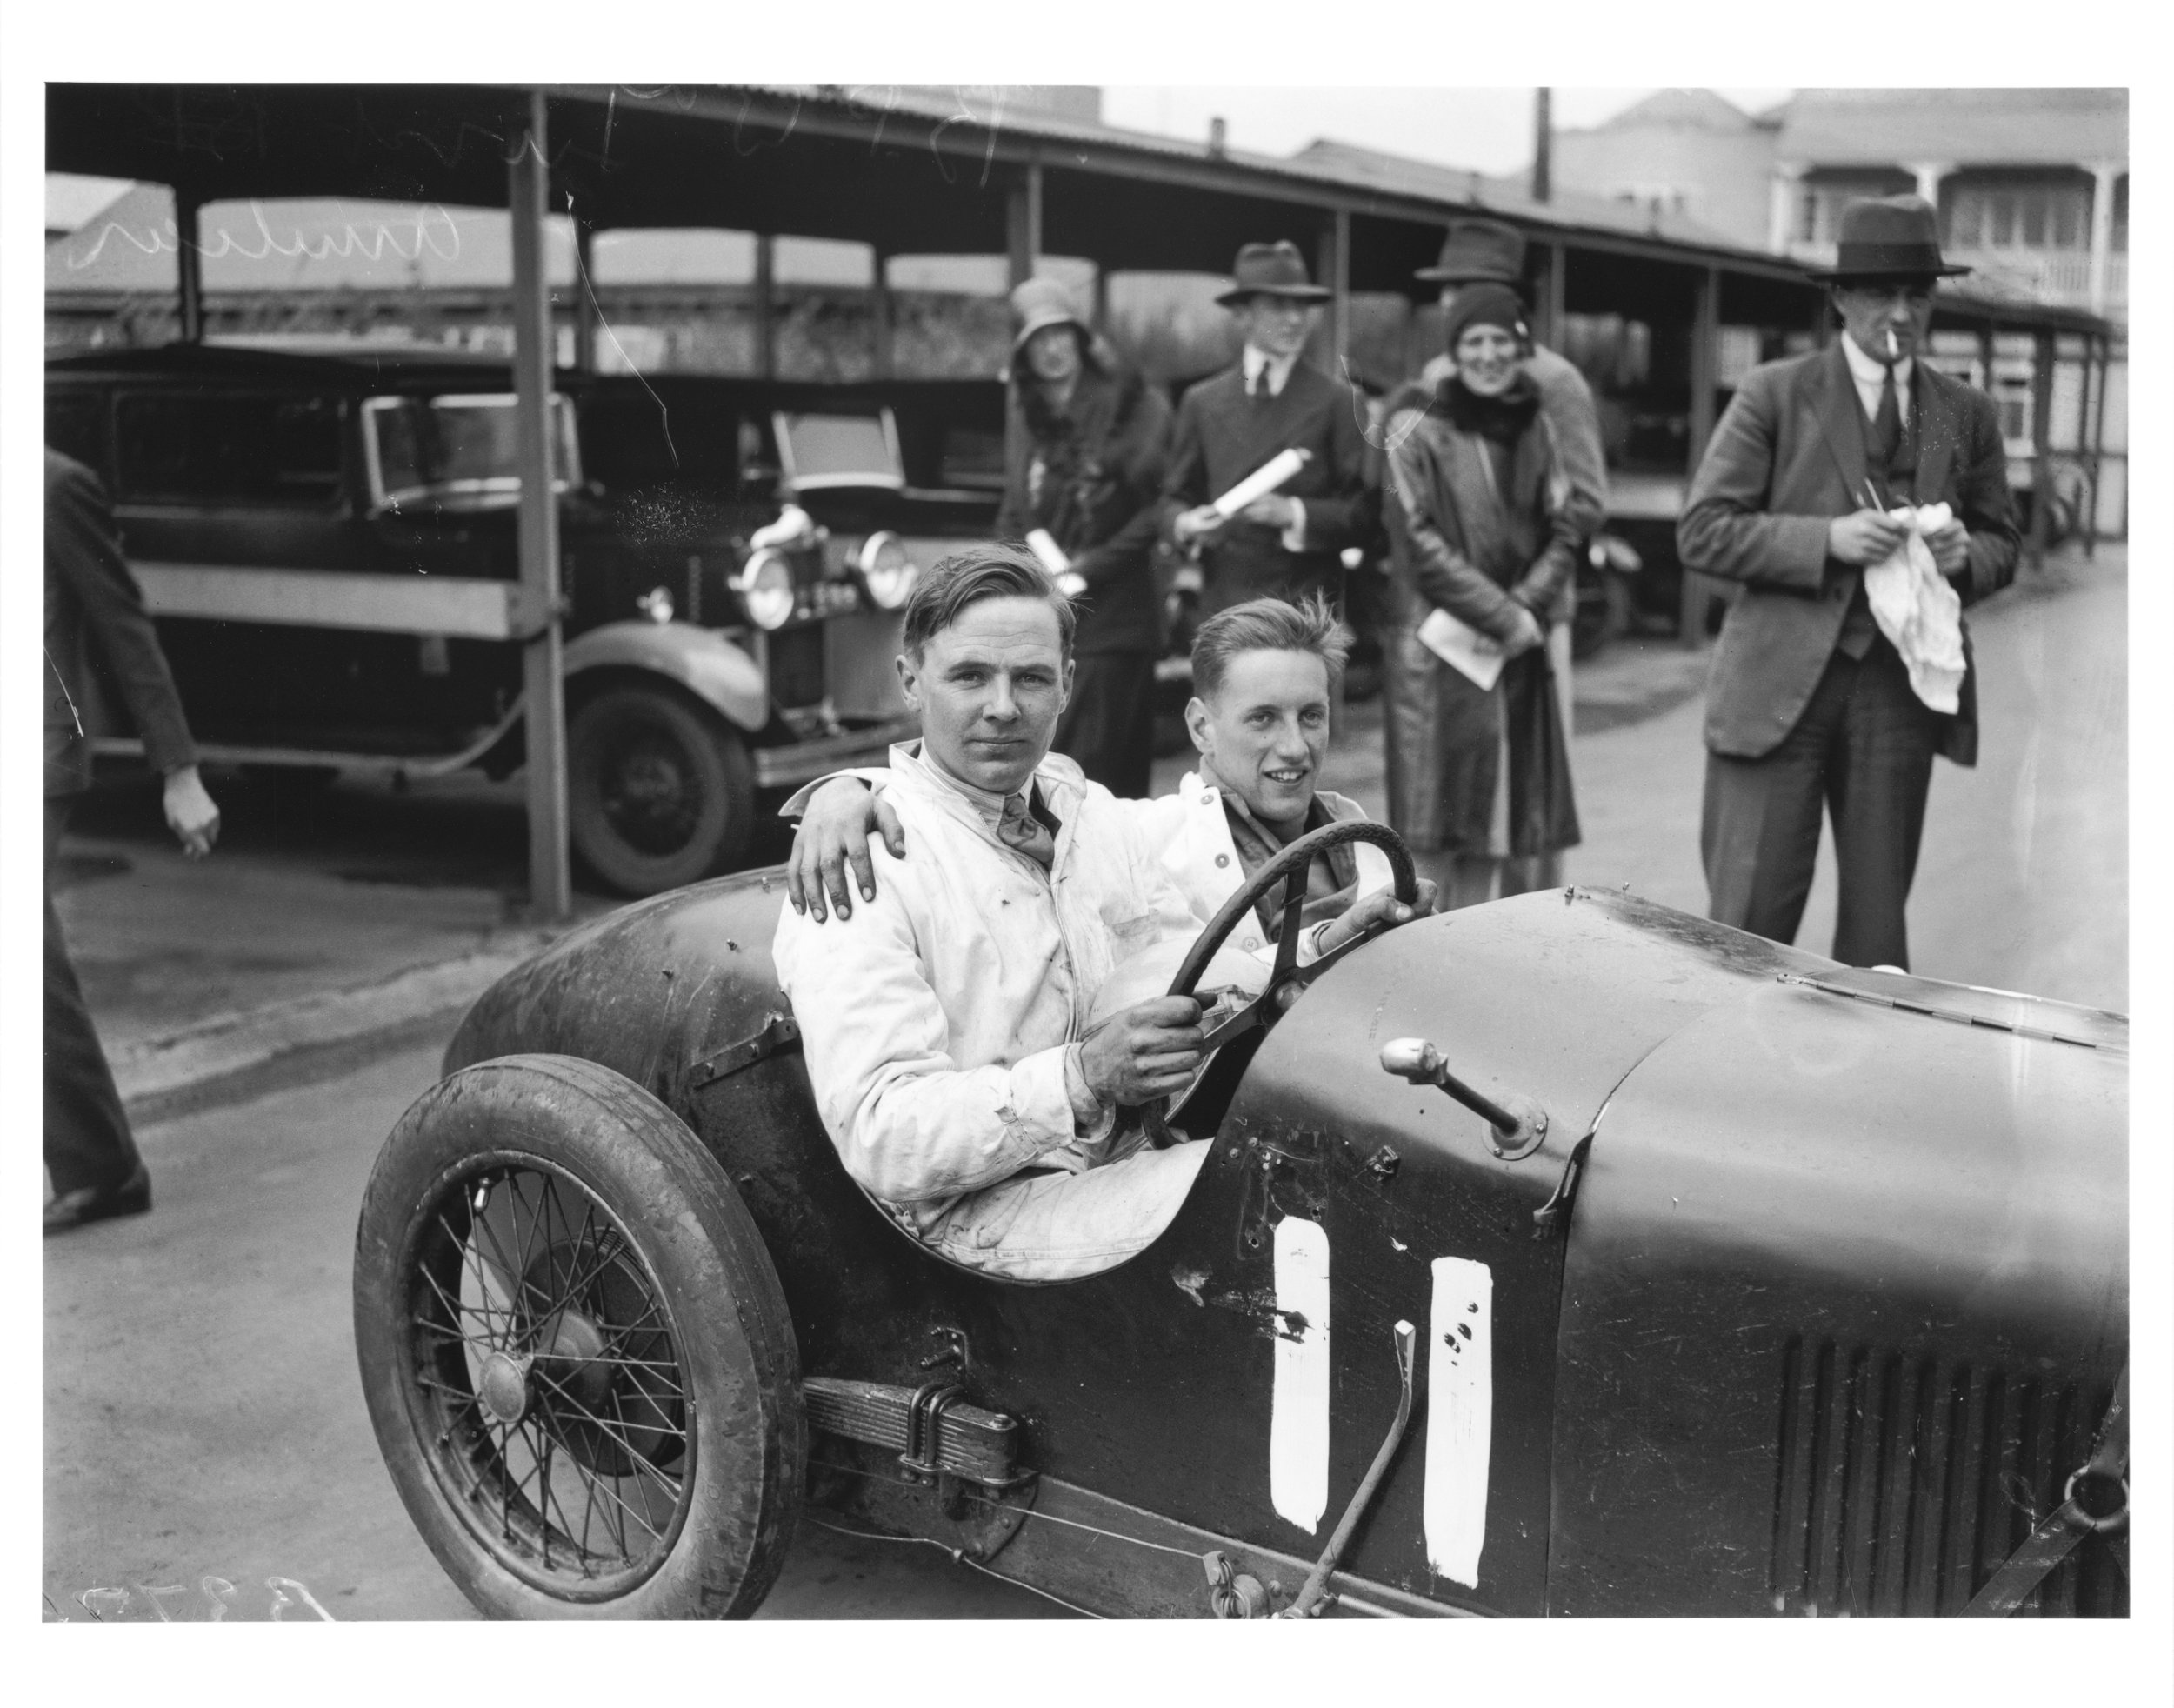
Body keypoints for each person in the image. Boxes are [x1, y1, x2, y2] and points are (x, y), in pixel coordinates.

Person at [770, 549, 1420, 1282]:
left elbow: (1204, 970)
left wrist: (1331, 943)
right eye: (970, 676)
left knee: (1376, 1156)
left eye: (1032, 678)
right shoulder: (858, 864)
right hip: (981, 1212)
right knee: (1289, 1195)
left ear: (1068, 684)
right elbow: (882, 1135)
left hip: (1127, 1150)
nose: (1004, 707)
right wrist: (1082, 1078)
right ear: (910, 680)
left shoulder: (1090, 814)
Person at [1677, 195, 2018, 970]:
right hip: (1776, 692)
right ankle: (1723, 1083)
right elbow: (1701, 531)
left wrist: (1969, 556)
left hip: (1899, 692)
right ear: (1839, 296)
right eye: (1878, 292)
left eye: (1917, 294)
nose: (1900, 310)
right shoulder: (1776, 393)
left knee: (1876, 945)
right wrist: (1824, 540)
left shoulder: (1961, 412)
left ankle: (1858, 1084)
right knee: (1746, 928)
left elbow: (2006, 541)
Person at [784, 595, 1424, 950]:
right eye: (1262, 720)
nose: (1295, 748)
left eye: (1311, 717)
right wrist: (851, 787)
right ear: (1201, 728)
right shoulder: (1146, 835)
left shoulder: (1359, 836)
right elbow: (1000, 791)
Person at [44, 447, 222, 1235]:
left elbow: (124, 629)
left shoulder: (53, 484)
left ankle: (101, 1167)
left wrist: (178, 770)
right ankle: (99, 1162)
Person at [1378, 284, 1587, 910]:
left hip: (1513, 650)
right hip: (1438, 652)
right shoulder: (1413, 425)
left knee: (1499, 825)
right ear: (1453, 350)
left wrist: (1525, 609)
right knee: (1435, 824)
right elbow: (1416, 541)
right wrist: (1507, 615)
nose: (1489, 354)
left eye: (1501, 340)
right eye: (1475, 340)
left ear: (1521, 347)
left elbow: (1564, 526)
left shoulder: (1537, 425)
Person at [995, 277, 1171, 797]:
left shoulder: (1130, 406)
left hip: (1116, 622)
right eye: (1038, 340)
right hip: (1053, 616)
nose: (1052, 350)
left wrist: (1089, 567)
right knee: (1058, 775)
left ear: (1080, 338)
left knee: (1102, 779)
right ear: (1024, 353)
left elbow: (1157, 508)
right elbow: (1015, 509)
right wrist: (1014, 566)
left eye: (1061, 334)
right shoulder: (1024, 412)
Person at [1161, 241, 1371, 617]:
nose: (1294, 319)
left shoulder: (1338, 401)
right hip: (1226, 610)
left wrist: (1295, 513)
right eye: (1278, 306)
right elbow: (1173, 498)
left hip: (1305, 613)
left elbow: (1366, 515)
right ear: (1242, 315)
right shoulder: (1202, 400)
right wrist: (1186, 523)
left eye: (1301, 307)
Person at [1414, 217, 1608, 552]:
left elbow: (1588, 503)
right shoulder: (1437, 375)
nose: (1447, 301)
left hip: (1530, 593)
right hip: (1448, 588)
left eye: (1461, 288)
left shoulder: (1557, 381)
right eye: (1446, 289)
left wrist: (1516, 560)